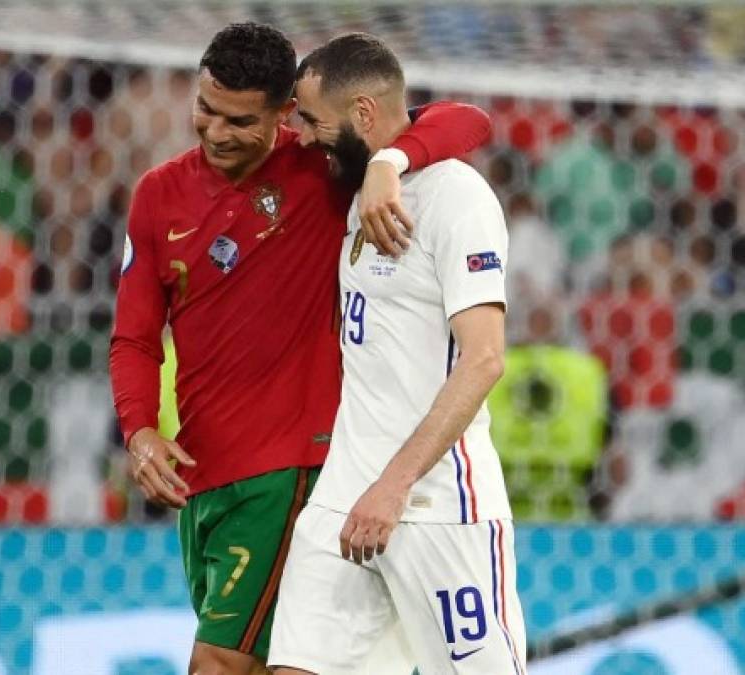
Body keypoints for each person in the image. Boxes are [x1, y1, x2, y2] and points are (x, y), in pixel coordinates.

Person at [109, 22, 493, 675]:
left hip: (290, 470)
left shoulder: (320, 167)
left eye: (241, 120)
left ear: (284, 112)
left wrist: (386, 162)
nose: (217, 132)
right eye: (207, 109)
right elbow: (134, 335)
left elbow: (468, 122)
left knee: (218, 663)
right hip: (203, 477)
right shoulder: (156, 194)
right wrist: (140, 429)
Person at [269, 33, 527, 674]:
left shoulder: (456, 199)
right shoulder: (358, 190)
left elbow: (484, 360)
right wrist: (386, 164)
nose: (304, 137)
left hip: (439, 508)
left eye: (312, 120)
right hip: (344, 497)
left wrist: (395, 485)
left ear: (361, 114)